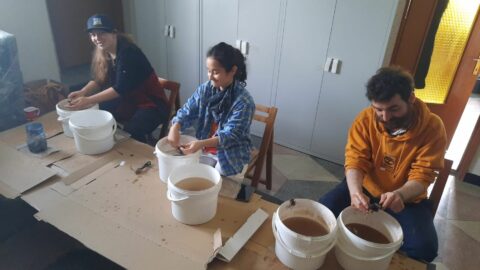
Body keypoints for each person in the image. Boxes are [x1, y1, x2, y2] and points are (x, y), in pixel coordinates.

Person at [319, 66, 447, 262]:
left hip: (408, 198)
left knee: (425, 248)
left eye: (394, 109)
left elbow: (423, 175)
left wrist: (400, 195)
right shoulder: (365, 119)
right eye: (379, 109)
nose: (385, 117)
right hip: (365, 188)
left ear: (411, 98)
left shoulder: (433, 128)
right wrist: (355, 192)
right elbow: (355, 160)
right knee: (323, 212)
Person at [67, 14, 169, 143]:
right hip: (129, 99)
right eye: (93, 34)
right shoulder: (103, 51)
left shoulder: (128, 52)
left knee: (133, 129)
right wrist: (83, 92)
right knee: (99, 111)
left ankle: (140, 150)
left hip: (152, 104)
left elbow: (119, 89)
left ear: (113, 33)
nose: (97, 38)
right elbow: (99, 79)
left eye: (101, 33)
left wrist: (87, 100)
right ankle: (113, 142)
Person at [167, 42, 255, 176]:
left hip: (231, 154)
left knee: (217, 184)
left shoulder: (244, 101)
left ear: (232, 71)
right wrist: (175, 126)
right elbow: (187, 110)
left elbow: (230, 136)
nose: (210, 76)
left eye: (216, 72)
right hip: (204, 147)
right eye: (208, 71)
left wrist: (200, 144)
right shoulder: (206, 89)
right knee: (187, 174)